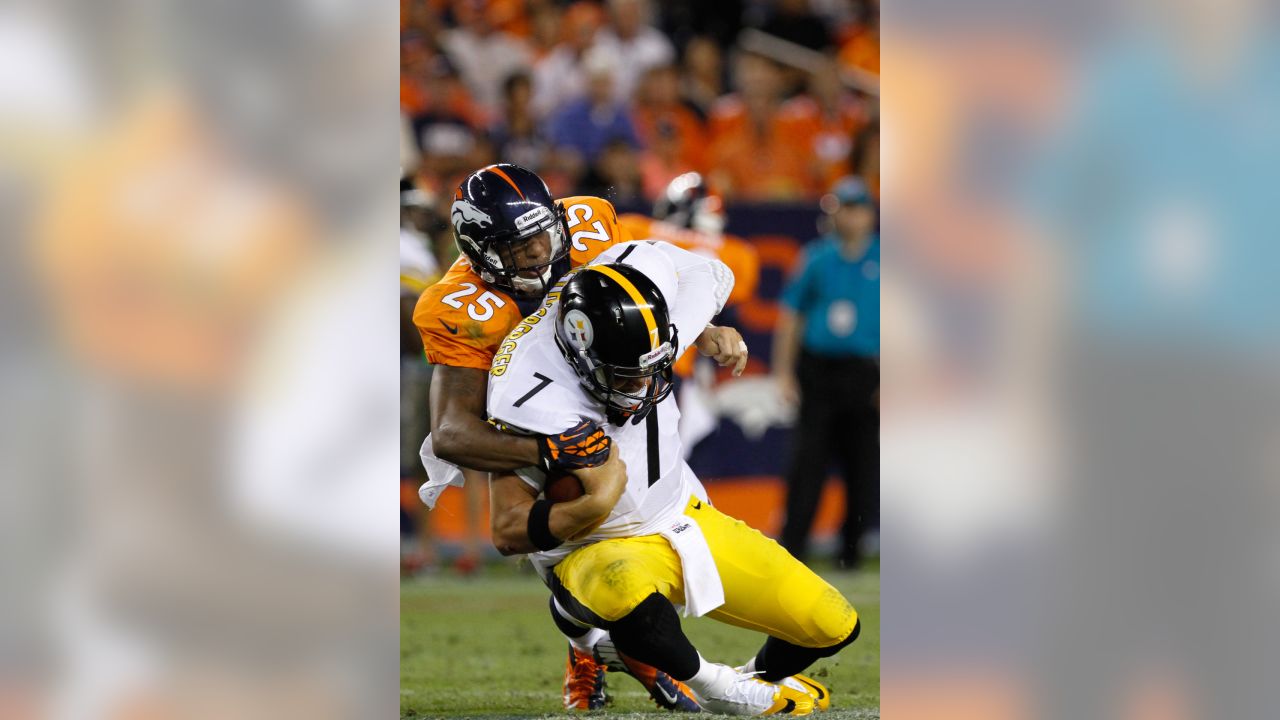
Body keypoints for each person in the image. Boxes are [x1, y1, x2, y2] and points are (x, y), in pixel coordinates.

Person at [485, 241, 862, 715]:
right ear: (582, 356)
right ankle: (718, 686)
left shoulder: (641, 313)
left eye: (652, 367)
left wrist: (701, 328)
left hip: (682, 513)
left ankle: (750, 679)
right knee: (625, 591)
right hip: (598, 545)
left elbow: (707, 274)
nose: (641, 386)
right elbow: (505, 529)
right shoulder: (529, 393)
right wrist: (588, 508)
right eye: (626, 376)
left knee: (834, 623)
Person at [412, 163, 699, 711]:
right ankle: (595, 646)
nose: (542, 254)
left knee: (654, 530)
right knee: (536, 536)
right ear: (483, 250)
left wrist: (703, 330)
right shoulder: (460, 306)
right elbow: (451, 432)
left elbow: (645, 294)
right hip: (527, 425)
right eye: (522, 249)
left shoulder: (589, 224)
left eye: (546, 235)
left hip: (613, 398)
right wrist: (547, 449)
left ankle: (604, 645)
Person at [772, 177, 880, 568]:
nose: (849, 217)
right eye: (843, 209)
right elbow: (791, 317)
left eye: (856, 208)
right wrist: (784, 372)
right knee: (807, 464)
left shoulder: (885, 259)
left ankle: (851, 550)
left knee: (863, 466)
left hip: (866, 373)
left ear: (869, 213)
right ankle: (793, 547)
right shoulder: (816, 258)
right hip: (819, 370)